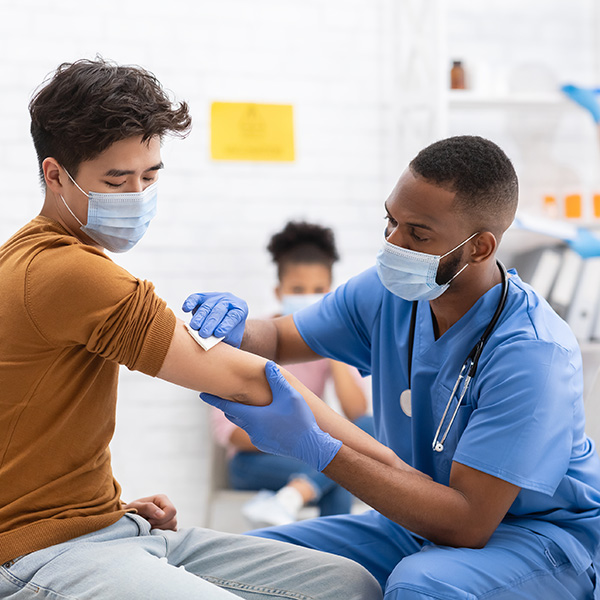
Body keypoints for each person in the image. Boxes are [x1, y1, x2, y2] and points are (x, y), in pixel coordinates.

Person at [0, 57, 391, 600]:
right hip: (42, 552)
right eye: (116, 180)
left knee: (348, 584)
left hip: (111, 528)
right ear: (54, 175)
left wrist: (104, 505)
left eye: (150, 176)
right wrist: (400, 478)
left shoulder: (34, 260)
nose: (137, 195)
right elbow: (249, 380)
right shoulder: (64, 270)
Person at [189, 135, 600, 599]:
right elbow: (282, 338)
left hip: (536, 539)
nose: (393, 244)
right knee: (240, 563)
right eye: (391, 221)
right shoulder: (388, 295)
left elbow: (468, 525)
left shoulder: (533, 354)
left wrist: (318, 449)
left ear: (481, 248)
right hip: (416, 523)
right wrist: (239, 328)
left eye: (418, 234)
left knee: (419, 586)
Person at [211, 221, 372, 526]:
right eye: (298, 290)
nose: (308, 297)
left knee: (368, 430)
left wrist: (330, 345)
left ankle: (291, 498)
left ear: (331, 293)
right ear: (279, 291)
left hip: (308, 454)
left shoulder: (330, 343)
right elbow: (228, 433)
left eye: (318, 291)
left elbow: (357, 414)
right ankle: (333, 563)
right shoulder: (248, 340)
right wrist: (299, 441)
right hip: (253, 462)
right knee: (339, 471)